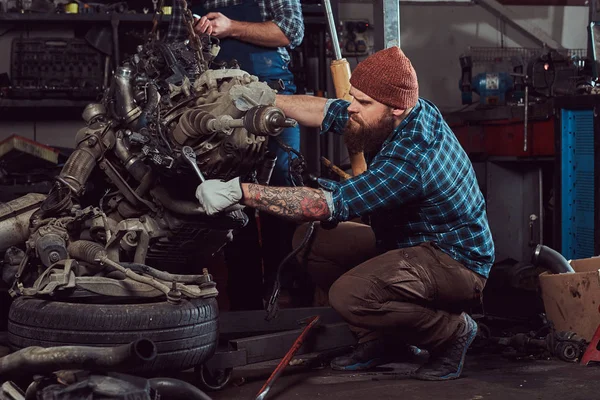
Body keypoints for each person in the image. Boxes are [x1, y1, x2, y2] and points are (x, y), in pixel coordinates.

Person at [195, 46, 495, 381]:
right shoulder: (397, 111)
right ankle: (381, 341)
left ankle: (452, 333)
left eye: (362, 103)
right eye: (355, 96)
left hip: (455, 262)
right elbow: (328, 110)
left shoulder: (414, 158)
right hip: (410, 242)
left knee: (349, 294)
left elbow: (328, 205)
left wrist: (241, 191)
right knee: (312, 241)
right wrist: (265, 99)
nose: (352, 106)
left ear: (396, 109)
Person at [166, 0, 305, 310]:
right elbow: (173, 47)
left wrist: (230, 27)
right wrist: (194, 38)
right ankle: (244, 298)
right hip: (214, 103)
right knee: (224, 194)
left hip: (273, 96)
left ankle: (286, 290)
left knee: (281, 185)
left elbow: (291, 31)